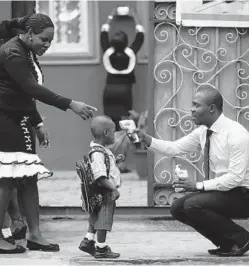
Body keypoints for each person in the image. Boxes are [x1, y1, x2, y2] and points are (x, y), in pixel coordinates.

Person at [0, 14, 96, 254]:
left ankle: (35, 234)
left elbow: (23, 95)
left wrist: (37, 123)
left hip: (15, 117)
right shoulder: (13, 53)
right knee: (5, 177)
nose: (47, 45)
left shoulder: (26, 50)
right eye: (44, 39)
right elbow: (31, 88)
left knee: (29, 178)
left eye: (51, 41)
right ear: (29, 34)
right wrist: (71, 104)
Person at [134, 85, 249, 257]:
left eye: (196, 105)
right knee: (177, 208)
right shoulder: (203, 132)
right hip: (224, 192)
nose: (191, 110)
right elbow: (174, 148)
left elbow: (235, 178)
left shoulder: (236, 134)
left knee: (192, 204)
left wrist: (198, 185)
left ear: (211, 108)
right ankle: (227, 243)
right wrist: (146, 139)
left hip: (243, 194)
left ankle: (242, 238)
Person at [0, 21, 35, 245]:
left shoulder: (8, 64)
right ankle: (14, 221)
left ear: (1, 43)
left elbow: (26, 94)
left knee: (0, 175)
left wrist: (37, 124)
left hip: (2, 123)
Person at [101, 7, 144, 173]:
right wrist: (135, 16)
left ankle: (107, 162)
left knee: (109, 127)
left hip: (109, 93)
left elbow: (103, 34)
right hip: (124, 93)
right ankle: (121, 163)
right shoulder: (130, 53)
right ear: (126, 43)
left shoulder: (108, 53)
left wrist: (110, 15)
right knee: (126, 127)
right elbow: (140, 36)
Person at [78, 116, 122, 258]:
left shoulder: (101, 150)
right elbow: (100, 176)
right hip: (104, 193)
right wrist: (113, 189)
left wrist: (116, 160)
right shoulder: (98, 154)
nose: (115, 134)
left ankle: (88, 240)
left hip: (99, 192)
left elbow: (106, 168)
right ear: (106, 133)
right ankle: (101, 248)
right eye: (114, 131)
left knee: (96, 217)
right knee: (103, 220)